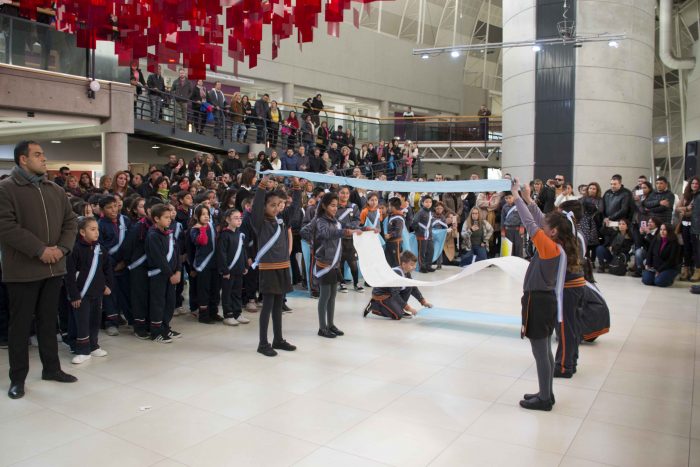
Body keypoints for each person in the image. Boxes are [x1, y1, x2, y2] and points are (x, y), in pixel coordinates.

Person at [0, 141, 79, 399]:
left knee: (48, 323)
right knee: (20, 327)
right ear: (23, 159)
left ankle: (52, 369)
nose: (44, 159)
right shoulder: (6, 189)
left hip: (54, 268)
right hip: (23, 270)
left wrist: (62, 249)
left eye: (43, 154)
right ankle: (17, 379)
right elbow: (7, 227)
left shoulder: (54, 189)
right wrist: (40, 250)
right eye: (38, 154)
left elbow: (70, 222)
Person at [510, 177, 571, 411]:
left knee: (540, 351)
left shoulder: (548, 247)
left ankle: (545, 398)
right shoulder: (556, 245)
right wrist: (527, 198)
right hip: (542, 300)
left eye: (547, 225)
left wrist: (515, 196)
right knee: (544, 349)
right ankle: (546, 392)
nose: (542, 225)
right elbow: (537, 218)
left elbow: (529, 221)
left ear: (553, 231)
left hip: (539, 301)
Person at [304, 192, 363, 338]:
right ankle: (322, 327)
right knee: (325, 296)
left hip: (334, 263)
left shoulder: (334, 219)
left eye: (336, 206)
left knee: (332, 295)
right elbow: (325, 233)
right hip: (324, 263)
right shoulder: (319, 220)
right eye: (332, 205)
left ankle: (330, 324)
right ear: (324, 206)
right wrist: (315, 244)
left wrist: (365, 229)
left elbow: (345, 227)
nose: (335, 208)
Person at [250, 176, 297, 356]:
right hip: (268, 268)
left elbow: (293, 208)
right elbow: (257, 205)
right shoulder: (259, 221)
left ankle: (278, 339)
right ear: (264, 206)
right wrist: (262, 186)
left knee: (278, 305)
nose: (277, 208)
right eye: (272, 205)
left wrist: (297, 188)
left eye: (279, 205)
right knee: (268, 306)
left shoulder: (280, 220)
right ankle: (263, 343)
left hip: (282, 266)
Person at [64, 216, 113, 364]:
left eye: (97, 229)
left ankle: (93, 345)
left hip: (97, 293)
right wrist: (74, 296)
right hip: (81, 294)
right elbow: (70, 275)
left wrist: (108, 286)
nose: (96, 232)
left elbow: (107, 269)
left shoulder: (101, 249)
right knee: (82, 322)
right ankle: (82, 350)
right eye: (92, 229)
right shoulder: (75, 250)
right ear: (82, 232)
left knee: (94, 320)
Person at [145, 204, 182, 342]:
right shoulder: (153, 235)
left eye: (170, 217)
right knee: (158, 303)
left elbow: (177, 253)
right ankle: (156, 331)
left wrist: (178, 270)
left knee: (170, 302)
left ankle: (165, 328)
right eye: (166, 217)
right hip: (159, 275)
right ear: (156, 219)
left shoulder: (170, 233)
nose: (169, 219)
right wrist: (170, 274)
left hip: (172, 274)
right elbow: (159, 258)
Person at [98, 195, 132, 336]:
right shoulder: (100, 225)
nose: (113, 210)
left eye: (115, 206)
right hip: (110, 266)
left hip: (125, 264)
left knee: (126, 292)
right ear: (102, 210)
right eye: (109, 208)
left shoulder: (126, 220)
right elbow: (101, 248)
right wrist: (112, 264)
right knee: (110, 294)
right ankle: (111, 322)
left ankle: (130, 318)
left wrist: (125, 261)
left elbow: (131, 242)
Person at [363, 251, 433, 320]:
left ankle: (399, 309)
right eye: (412, 265)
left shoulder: (407, 273)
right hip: (381, 295)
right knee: (397, 316)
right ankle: (374, 305)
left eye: (415, 265)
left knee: (410, 286)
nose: (414, 267)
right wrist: (409, 308)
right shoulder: (396, 274)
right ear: (403, 264)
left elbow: (413, 288)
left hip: (390, 294)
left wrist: (423, 302)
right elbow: (395, 294)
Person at [217, 209, 250, 326]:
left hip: (239, 269)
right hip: (228, 271)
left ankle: (237, 313)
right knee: (227, 293)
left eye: (240, 218)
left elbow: (243, 251)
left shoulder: (239, 234)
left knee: (237, 292)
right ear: (227, 220)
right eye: (236, 218)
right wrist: (225, 270)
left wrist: (245, 265)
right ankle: (228, 314)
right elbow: (222, 254)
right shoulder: (224, 235)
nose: (239, 220)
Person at [642, 222, 681, 287]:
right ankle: (657, 277)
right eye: (661, 229)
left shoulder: (674, 243)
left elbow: (671, 260)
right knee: (647, 280)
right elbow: (650, 253)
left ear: (669, 231)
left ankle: (669, 278)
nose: (662, 232)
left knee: (659, 282)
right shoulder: (656, 239)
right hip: (655, 267)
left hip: (669, 267)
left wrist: (659, 270)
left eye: (664, 230)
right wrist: (648, 264)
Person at [679, 177, 700, 281]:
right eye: (693, 183)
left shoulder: (698, 196)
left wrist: (686, 212)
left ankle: (697, 270)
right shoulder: (686, 195)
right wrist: (686, 209)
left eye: (697, 183)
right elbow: (677, 208)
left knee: (696, 249)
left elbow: (695, 212)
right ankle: (686, 269)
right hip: (685, 224)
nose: (694, 185)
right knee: (686, 248)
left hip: (696, 225)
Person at [412, 195, 436, 273]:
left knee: (430, 251)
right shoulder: (420, 212)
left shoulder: (431, 212)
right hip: (422, 236)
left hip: (429, 235)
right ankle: (422, 267)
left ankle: (428, 266)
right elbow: (414, 223)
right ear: (422, 203)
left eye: (430, 202)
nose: (428, 203)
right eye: (426, 202)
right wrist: (420, 231)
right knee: (422, 252)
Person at [501, 191, 525, 258]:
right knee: (509, 249)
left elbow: (523, 217)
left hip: (518, 230)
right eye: (506, 198)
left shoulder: (519, 205)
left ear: (513, 197)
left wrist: (522, 227)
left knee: (518, 248)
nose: (508, 200)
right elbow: (502, 219)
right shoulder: (504, 207)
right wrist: (502, 230)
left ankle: (519, 263)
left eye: (509, 198)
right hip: (508, 230)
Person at [384, 197, 405, 268]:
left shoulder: (398, 218)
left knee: (396, 261)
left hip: (396, 243)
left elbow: (398, 231)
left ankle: (399, 276)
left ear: (393, 207)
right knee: (389, 260)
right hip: (390, 242)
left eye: (389, 206)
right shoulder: (392, 215)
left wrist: (390, 235)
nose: (388, 207)